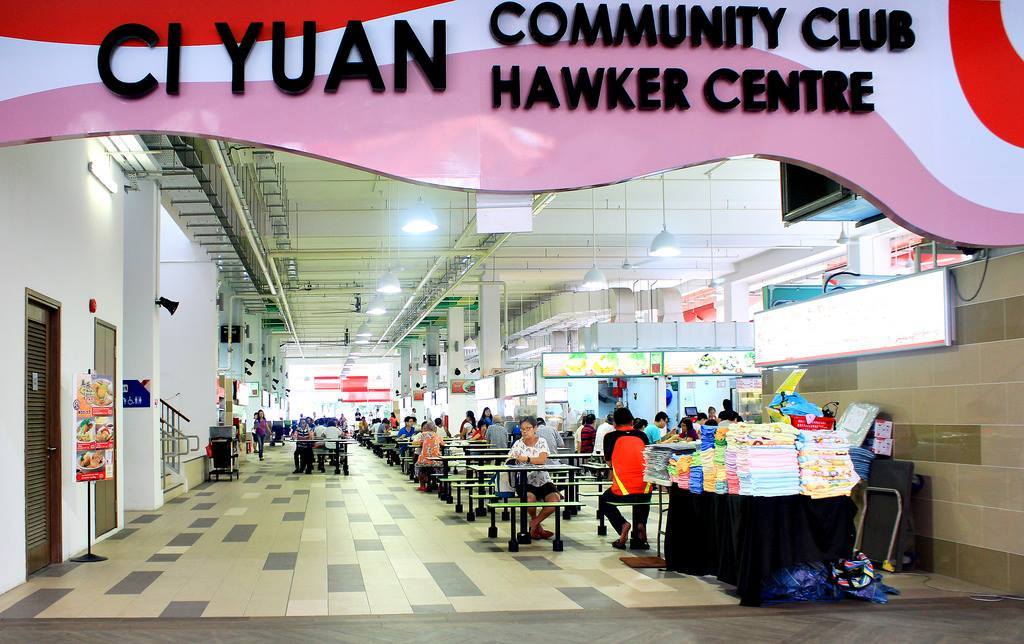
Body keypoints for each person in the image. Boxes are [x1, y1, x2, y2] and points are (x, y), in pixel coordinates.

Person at [599, 407, 652, 550]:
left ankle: (622, 525)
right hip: (645, 489)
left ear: (614, 423)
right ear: (632, 421)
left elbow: (609, 463)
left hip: (622, 490)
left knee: (604, 500)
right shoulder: (642, 436)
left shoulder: (610, 437)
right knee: (642, 496)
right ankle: (640, 526)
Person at [508, 417, 561, 540]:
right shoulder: (517, 444)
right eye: (522, 429)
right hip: (525, 481)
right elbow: (510, 460)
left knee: (555, 500)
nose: (525, 431)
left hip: (543, 479)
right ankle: (537, 526)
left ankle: (535, 523)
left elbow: (542, 459)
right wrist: (515, 461)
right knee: (530, 499)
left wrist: (526, 459)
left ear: (535, 428)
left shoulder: (541, 441)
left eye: (528, 428)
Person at [414, 421, 444, 491]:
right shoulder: (437, 435)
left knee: (417, 466)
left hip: (424, 460)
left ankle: (422, 485)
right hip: (436, 460)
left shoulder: (423, 435)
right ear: (434, 428)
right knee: (443, 466)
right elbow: (443, 444)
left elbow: (419, 443)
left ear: (427, 428)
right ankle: (441, 485)